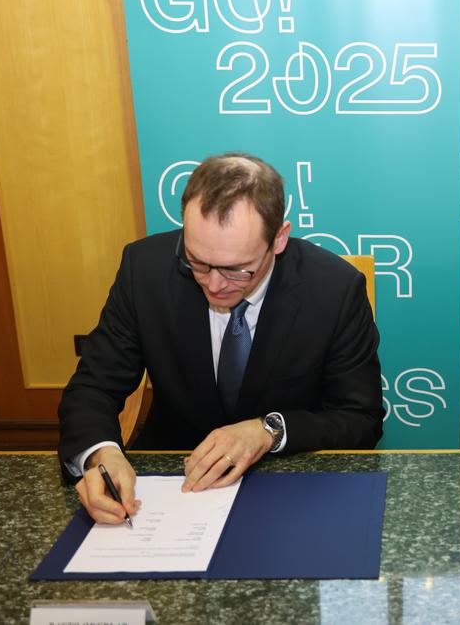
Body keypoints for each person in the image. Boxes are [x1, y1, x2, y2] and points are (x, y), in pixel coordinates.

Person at [58, 153, 383, 525]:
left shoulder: (334, 289)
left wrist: (269, 430)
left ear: (279, 239)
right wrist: (101, 455)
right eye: (196, 261)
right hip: (172, 488)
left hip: (289, 490)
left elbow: (360, 418)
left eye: (236, 269)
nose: (213, 284)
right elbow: (93, 387)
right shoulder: (144, 270)